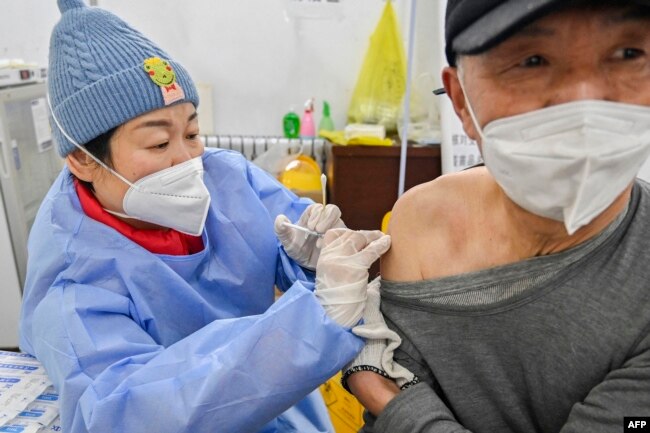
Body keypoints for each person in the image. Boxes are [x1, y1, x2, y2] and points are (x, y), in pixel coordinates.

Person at [18, 1, 391, 432]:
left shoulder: (226, 177)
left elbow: (293, 241)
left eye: (192, 133)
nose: (188, 160)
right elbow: (130, 412)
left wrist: (312, 259)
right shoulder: (74, 284)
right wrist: (319, 315)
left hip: (282, 400)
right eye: (159, 144)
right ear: (83, 161)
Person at [341, 0, 650, 432]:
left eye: (628, 54)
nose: (584, 105)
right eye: (533, 60)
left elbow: (388, 385)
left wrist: (375, 386)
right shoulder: (424, 219)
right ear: (462, 102)